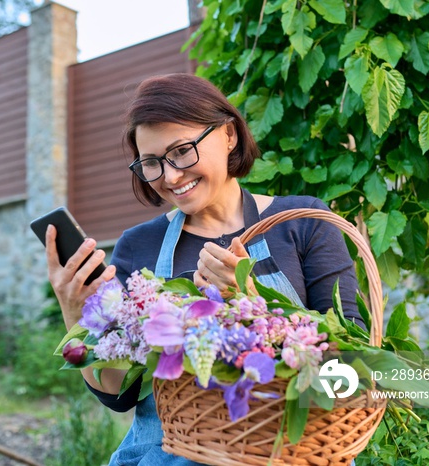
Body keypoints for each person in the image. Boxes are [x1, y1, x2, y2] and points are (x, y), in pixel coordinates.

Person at [45, 73, 362, 465]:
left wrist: (250, 301)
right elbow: (120, 394)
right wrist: (77, 314)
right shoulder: (137, 246)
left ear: (229, 134)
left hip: (290, 453)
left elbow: (350, 368)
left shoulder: (303, 222)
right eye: (152, 163)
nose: (171, 176)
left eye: (181, 151)